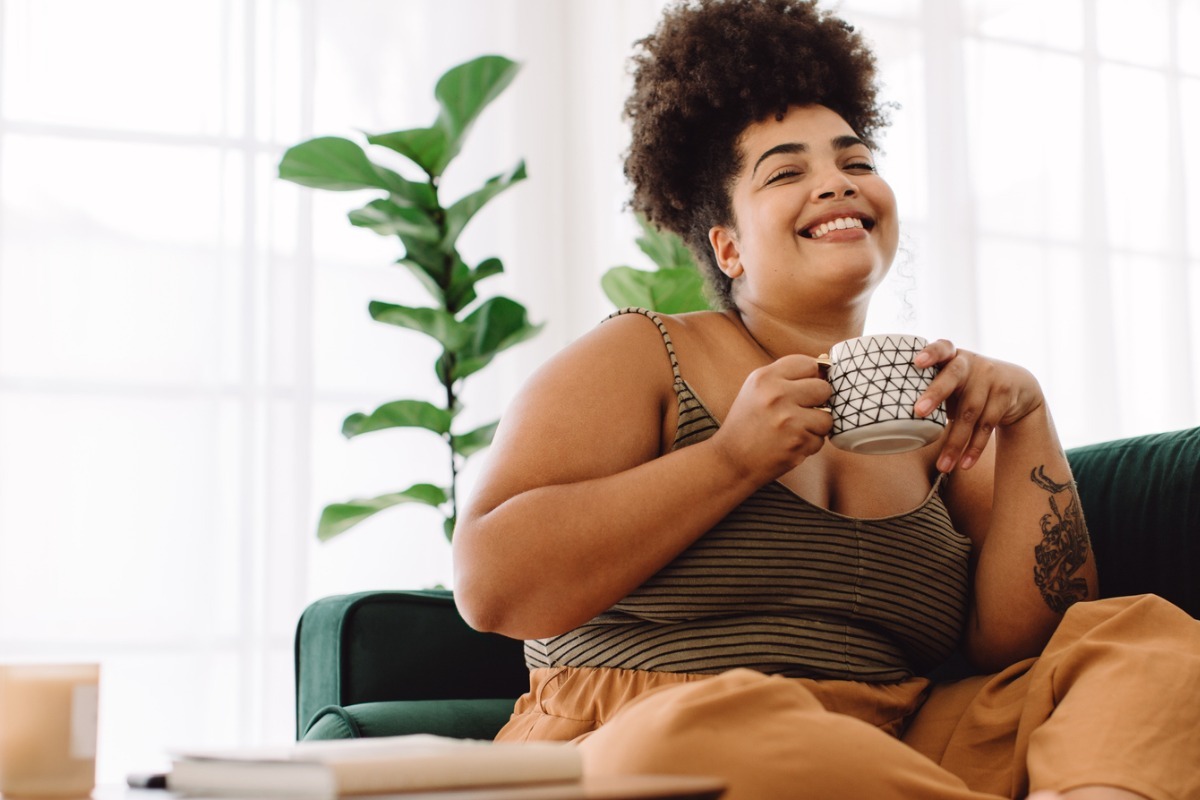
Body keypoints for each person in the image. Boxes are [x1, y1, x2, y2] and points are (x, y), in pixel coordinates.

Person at [451, 1, 1200, 797]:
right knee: (701, 729)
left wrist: (1027, 422)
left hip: (899, 747)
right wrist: (732, 459)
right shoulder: (646, 353)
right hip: (660, 730)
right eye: (786, 172)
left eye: (856, 162)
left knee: (1142, 637)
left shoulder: (931, 405)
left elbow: (1025, 645)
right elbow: (493, 587)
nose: (836, 182)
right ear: (728, 247)